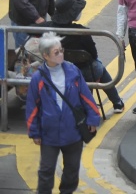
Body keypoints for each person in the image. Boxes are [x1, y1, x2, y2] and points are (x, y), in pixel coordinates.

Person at [26, 33, 102, 194]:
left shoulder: (73, 71)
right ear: (45, 55)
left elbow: (86, 97)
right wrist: (34, 132)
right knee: (46, 170)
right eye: (56, 52)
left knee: (72, 170)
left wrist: (93, 118)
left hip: (73, 132)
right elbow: (32, 107)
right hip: (49, 134)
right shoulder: (38, 78)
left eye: (61, 50)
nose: (61, 54)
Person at [49, 0, 125, 112]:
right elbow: (93, 54)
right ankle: (117, 102)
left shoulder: (50, 29)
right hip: (85, 71)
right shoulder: (82, 32)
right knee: (99, 66)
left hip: (62, 70)